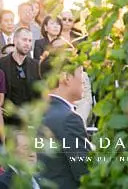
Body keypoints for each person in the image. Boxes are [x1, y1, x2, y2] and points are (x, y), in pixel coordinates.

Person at [37, 60, 90, 189]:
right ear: (66, 77)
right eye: (81, 72)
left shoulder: (40, 113)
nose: (83, 79)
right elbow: (86, 171)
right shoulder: (69, 119)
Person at [0, 27, 41, 127]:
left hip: (29, 122)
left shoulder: (36, 66)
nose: (27, 43)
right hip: (7, 122)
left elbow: (40, 93)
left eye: (30, 40)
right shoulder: (1, 64)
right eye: (24, 39)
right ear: (14, 40)